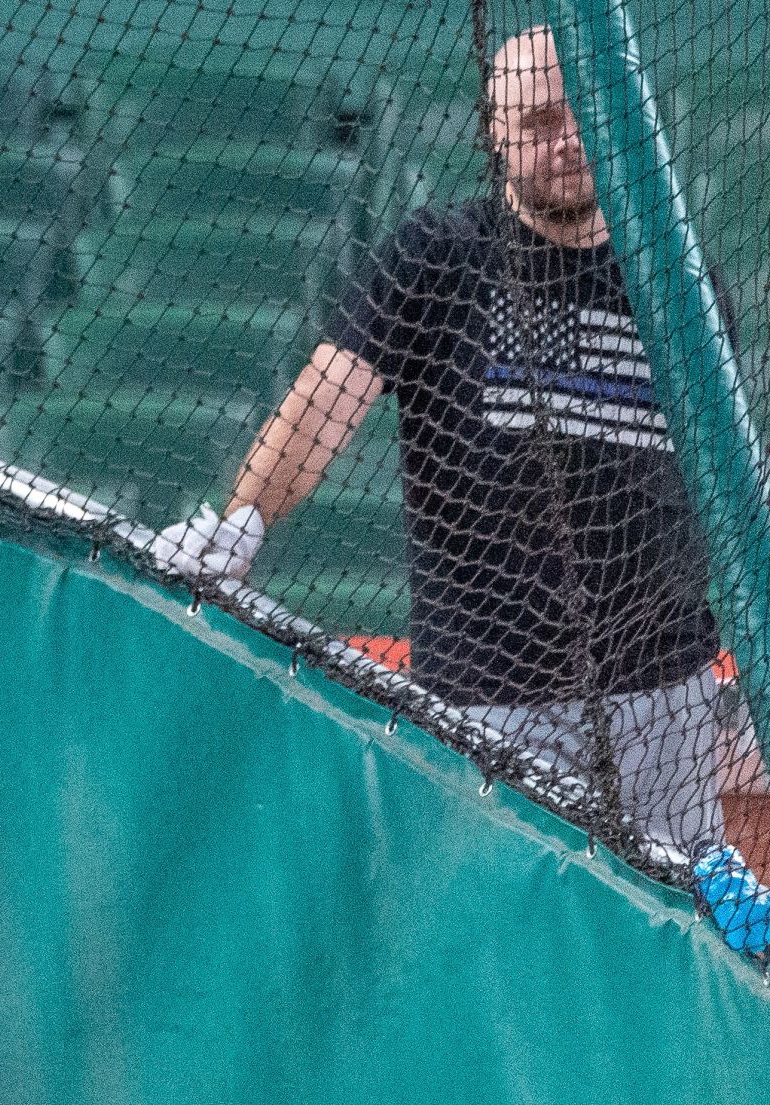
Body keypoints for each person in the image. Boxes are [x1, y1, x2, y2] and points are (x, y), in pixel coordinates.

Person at [142, 26, 728, 856]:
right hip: (489, 703)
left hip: (662, 701)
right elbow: (325, 402)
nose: (565, 140)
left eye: (580, 115)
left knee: (672, 938)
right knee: (495, 934)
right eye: (536, 124)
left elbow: (722, 483)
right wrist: (246, 520)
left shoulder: (680, 286)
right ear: (494, 138)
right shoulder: (440, 256)